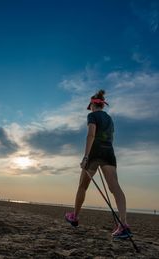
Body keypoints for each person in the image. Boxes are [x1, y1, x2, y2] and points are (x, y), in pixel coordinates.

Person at [65, 90, 132, 239]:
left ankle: (74, 217)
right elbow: (111, 138)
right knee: (115, 187)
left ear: (92, 106)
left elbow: (91, 135)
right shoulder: (109, 119)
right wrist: (104, 154)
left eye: (90, 107)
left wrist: (86, 157)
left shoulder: (92, 116)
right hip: (109, 152)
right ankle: (124, 224)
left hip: (94, 153)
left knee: (82, 186)